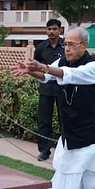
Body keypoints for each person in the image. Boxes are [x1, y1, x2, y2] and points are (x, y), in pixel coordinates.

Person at [11, 27, 95, 189]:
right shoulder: (62, 63)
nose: (66, 48)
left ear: (84, 45)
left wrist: (45, 67)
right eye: (65, 44)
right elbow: (47, 77)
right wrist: (31, 70)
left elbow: (72, 76)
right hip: (71, 134)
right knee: (67, 177)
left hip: (93, 136)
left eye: (71, 44)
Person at [33, 19, 65, 161]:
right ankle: (44, 150)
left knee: (64, 119)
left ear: (60, 30)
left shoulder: (66, 46)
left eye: (54, 29)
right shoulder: (40, 48)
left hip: (63, 89)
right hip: (46, 89)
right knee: (44, 120)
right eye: (49, 29)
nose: (51, 32)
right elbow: (35, 67)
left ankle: (65, 149)